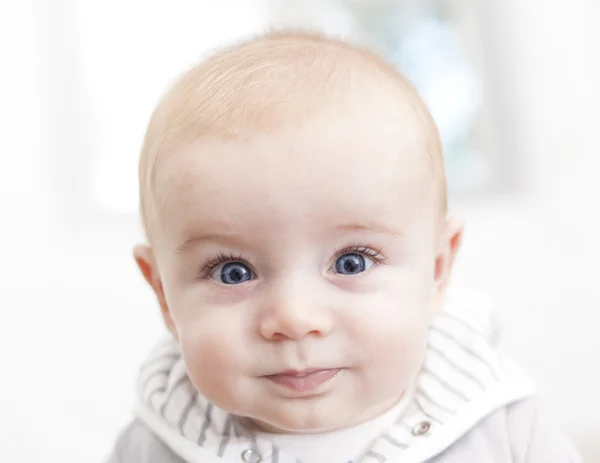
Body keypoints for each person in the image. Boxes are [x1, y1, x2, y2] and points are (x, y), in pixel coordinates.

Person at [107, 31, 580, 463]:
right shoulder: (153, 445)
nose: (294, 318)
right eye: (233, 271)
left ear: (436, 270)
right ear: (164, 295)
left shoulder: (504, 425)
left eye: (351, 263)